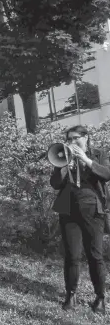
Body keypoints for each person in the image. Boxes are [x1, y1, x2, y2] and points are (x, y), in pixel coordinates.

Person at [50, 125, 109, 314]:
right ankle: (71, 294)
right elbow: (55, 184)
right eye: (69, 139)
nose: (72, 143)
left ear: (86, 138)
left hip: (93, 210)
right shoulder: (64, 156)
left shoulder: (99, 154)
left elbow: (107, 174)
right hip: (68, 210)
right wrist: (62, 168)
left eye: (75, 138)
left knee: (95, 255)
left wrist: (85, 159)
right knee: (72, 255)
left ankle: (100, 297)